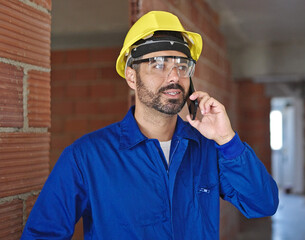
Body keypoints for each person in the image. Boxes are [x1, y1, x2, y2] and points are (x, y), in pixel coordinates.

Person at [21, 11, 278, 240]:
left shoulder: (208, 149)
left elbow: (262, 204)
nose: (174, 76)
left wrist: (227, 140)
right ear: (132, 77)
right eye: (158, 64)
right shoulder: (86, 157)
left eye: (182, 66)